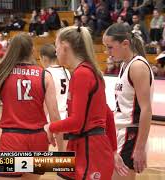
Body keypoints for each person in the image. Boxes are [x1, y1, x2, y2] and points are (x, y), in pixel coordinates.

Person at [0, 33, 60, 180]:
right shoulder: (45, 75)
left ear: (11, 50)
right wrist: (55, 136)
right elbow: (55, 116)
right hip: (38, 139)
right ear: (32, 51)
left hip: (13, 139)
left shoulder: (2, 74)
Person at [44, 26, 115, 180]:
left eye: (56, 46)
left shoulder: (82, 73)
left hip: (91, 151)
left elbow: (77, 121)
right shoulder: (85, 71)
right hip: (79, 145)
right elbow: (108, 114)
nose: (55, 51)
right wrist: (114, 150)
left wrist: (50, 126)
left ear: (64, 46)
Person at [103, 23, 154, 180]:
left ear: (125, 43)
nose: (107, 52)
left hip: (131, 135)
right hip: (121, 132)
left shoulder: (137, 66)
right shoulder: (125, 64)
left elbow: (146, 110)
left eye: (110, 47)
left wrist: (139, 148)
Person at [39, 44, 70, 151]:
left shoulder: (45, 74)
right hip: (65, 117)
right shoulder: (66, 71)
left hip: (50, 118)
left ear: (44, 58)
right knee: (64, 155)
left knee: (43, 157)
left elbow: (44, 102)